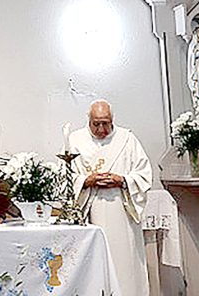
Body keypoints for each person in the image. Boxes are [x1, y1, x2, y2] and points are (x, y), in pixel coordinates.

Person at [70, 99, 152, 296]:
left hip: (121, 211)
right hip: (90, 210)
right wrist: (85, 181)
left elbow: (144, 174)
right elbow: (66, 177)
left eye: (105, 123)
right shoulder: (76, 140)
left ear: (112, 119)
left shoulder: (127, 139)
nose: (101, 129)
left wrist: (122, 180)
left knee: (124, 263)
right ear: (88, 120)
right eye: (96, 123)